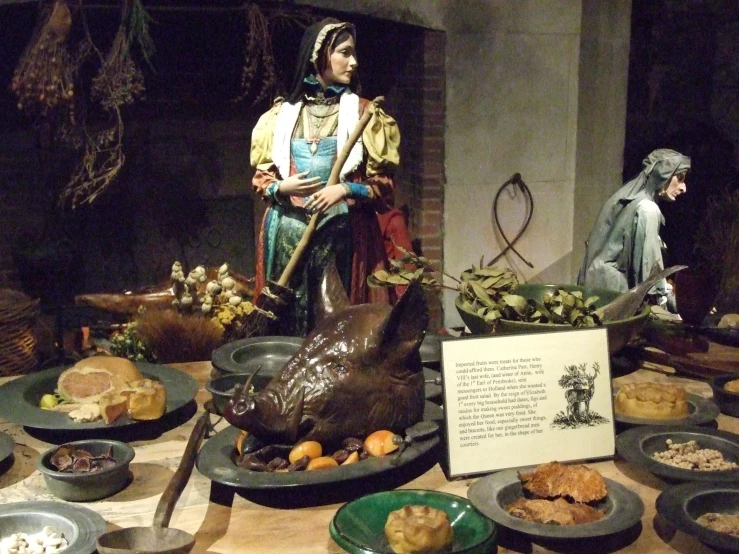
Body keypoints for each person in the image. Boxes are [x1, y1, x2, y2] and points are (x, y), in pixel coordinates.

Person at [250, 18, 400, 336]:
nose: (353, 62)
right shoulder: (282, 116)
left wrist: (345, 189)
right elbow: (263, 179)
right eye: (344, 53)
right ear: (320, 56)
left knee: (335, 321)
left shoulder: (365, 114)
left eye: (353, 53)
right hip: (287, 240)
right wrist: (281, 186)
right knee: (287, 326)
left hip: (342, 237)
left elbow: (385, 190)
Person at [578, 148, 691, 311]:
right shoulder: (647, 209)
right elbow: (648, 275)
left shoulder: (629, 199)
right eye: (679, 178)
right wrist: (675, 305)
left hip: (595, 292)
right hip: (615, 298)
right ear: (662, 174)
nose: (683, 187)